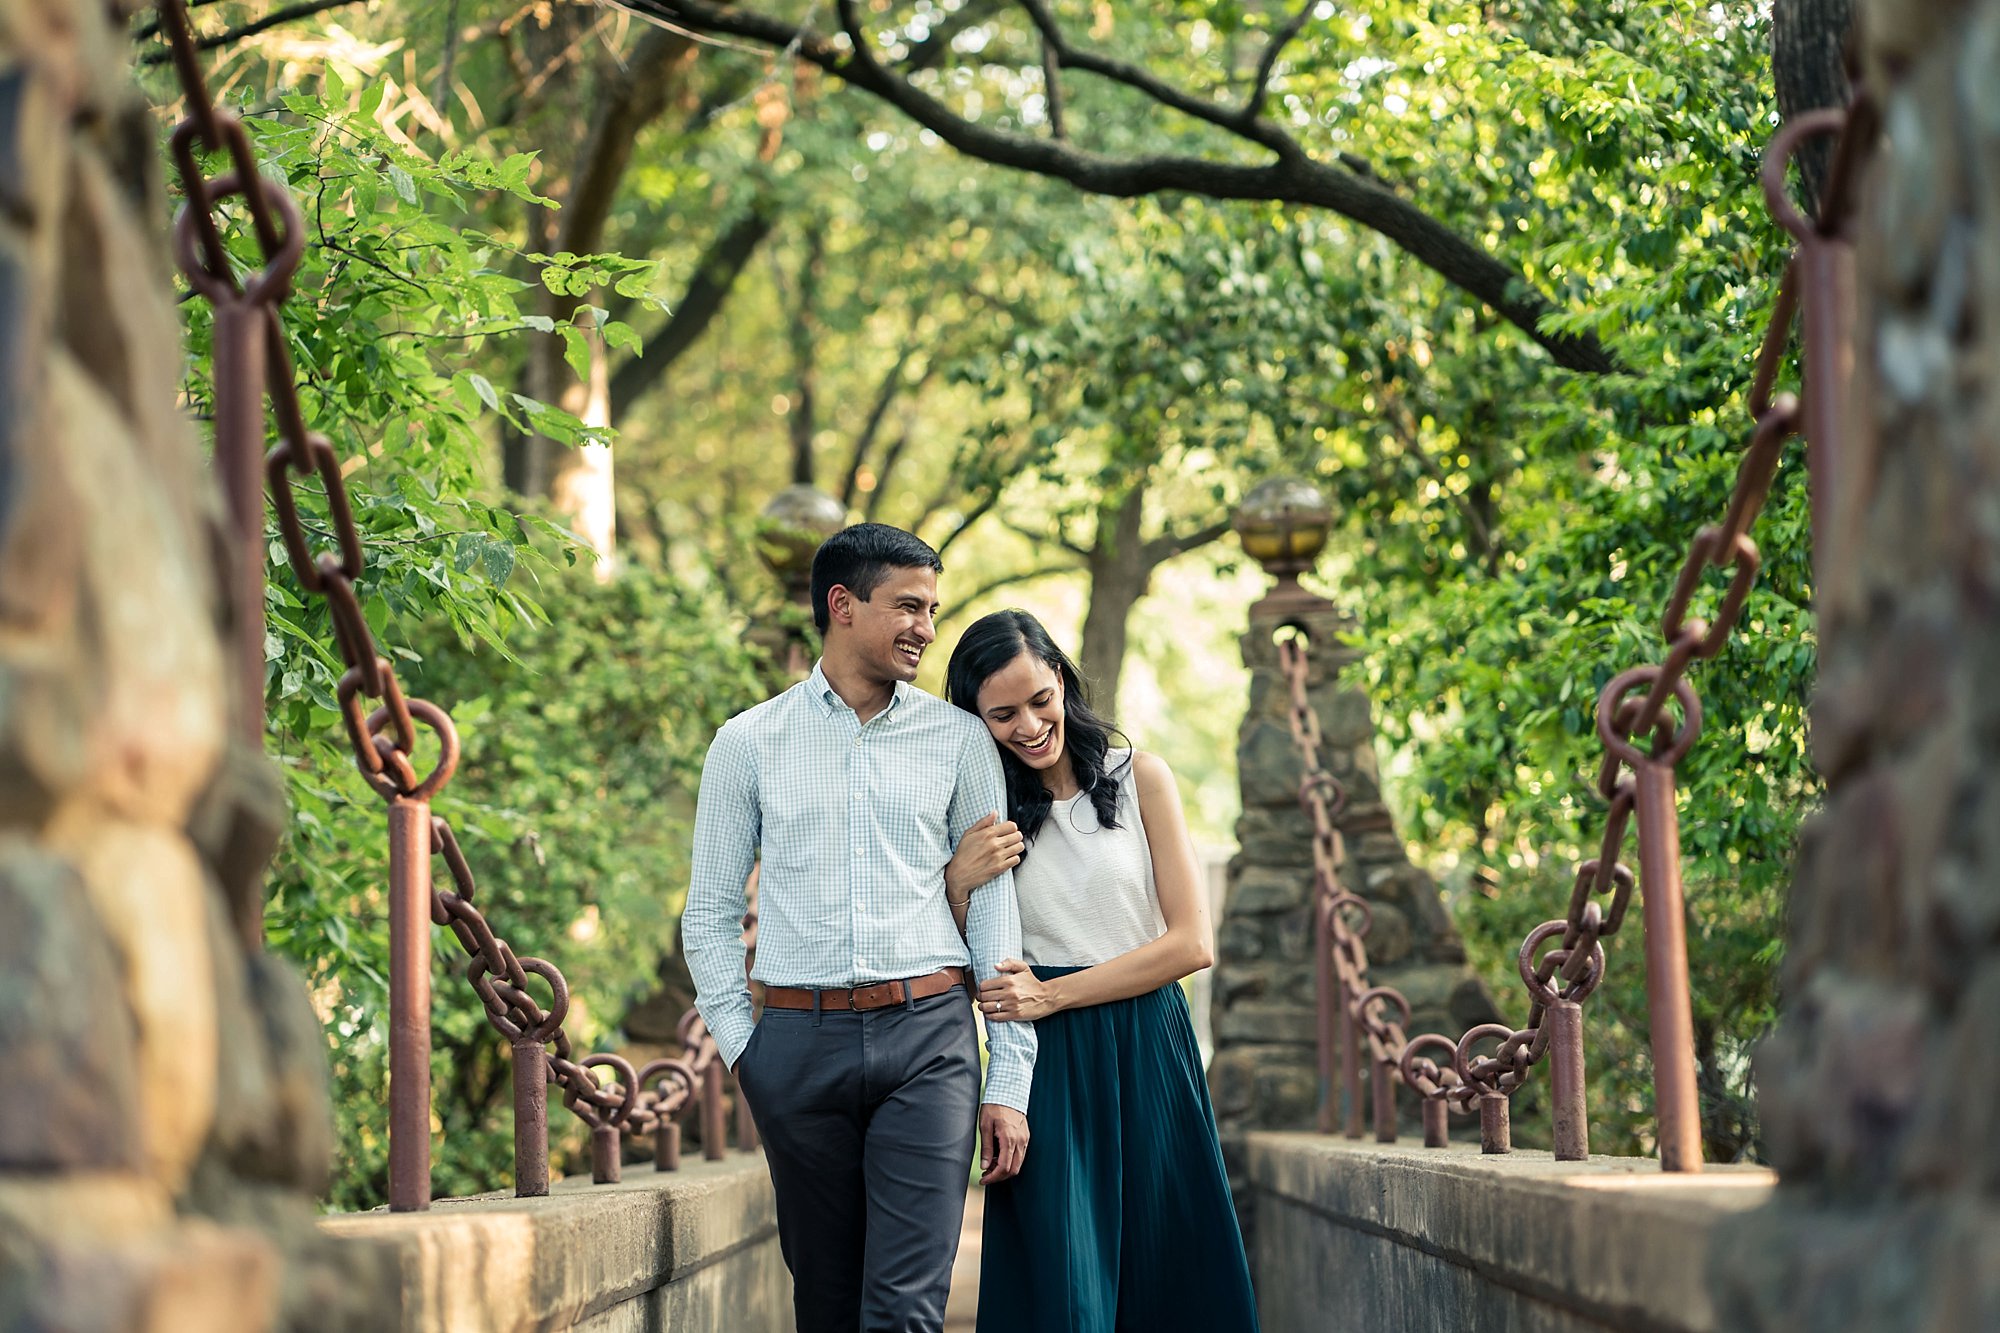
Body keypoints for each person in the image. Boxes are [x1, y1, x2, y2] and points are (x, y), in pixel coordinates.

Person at [681, 525, 1036, 1333]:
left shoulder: (959, 740)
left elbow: (993, 911)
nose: (927, 627)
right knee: (828, 1304)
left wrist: (1008, 1077)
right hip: (797, 1048)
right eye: (908, 605)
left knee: (904, 1309)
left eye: (933, 608)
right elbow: (707, 912)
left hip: (930, 1040)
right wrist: (749, 1051)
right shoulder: (748, 743)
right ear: (842, 604)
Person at [941, 609, 1259, 1333]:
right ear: (973, 720)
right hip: (1046, 1065)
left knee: (1165, 1270)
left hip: (1147, 1042)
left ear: (1060, 677)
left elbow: (1190, 944)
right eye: (1002, 713)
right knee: (1065, 1286)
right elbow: (959, 958)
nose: (1027, 724)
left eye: (1038, 699)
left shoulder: (1140, 776)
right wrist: (957, 880)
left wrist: (1051, 994)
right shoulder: (978, 813)